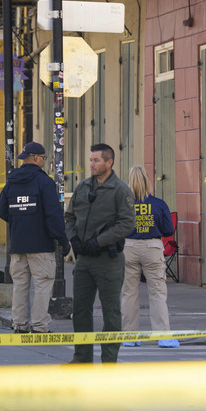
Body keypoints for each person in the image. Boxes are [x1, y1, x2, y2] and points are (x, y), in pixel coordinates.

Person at [64, 143, 135, 363]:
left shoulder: (120, 190)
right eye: (91, 160)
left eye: (96, 160)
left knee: (111, 312)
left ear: (109, 162)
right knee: (80, 310)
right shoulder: (83, 187)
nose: (92, 164)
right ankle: (82, 358)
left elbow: (127, 223)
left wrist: (100, 241)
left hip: (108, 261)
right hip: (84, 260)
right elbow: (69, 217)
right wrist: (73, 238)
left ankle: (109, 362)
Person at [0, 142, 70, 334]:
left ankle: (20, 324)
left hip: (18, 245)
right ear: (36, 158)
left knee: (20, 286)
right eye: (44, 158)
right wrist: (62, 240)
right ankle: (39, 326)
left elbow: (2, 210)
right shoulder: (44, 182)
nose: (44, 162)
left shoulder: (12, 181)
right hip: (41, 245)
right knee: (43, 285)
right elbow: (53, 215)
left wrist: (19, 221)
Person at [120, 166, 178, 348]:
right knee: (157, 293)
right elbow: (168, 230)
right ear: (148, 181)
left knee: (129, 293)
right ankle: (163, 336)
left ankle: (129, 336)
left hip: (128, 247)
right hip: (152, 248)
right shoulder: (158, 204)